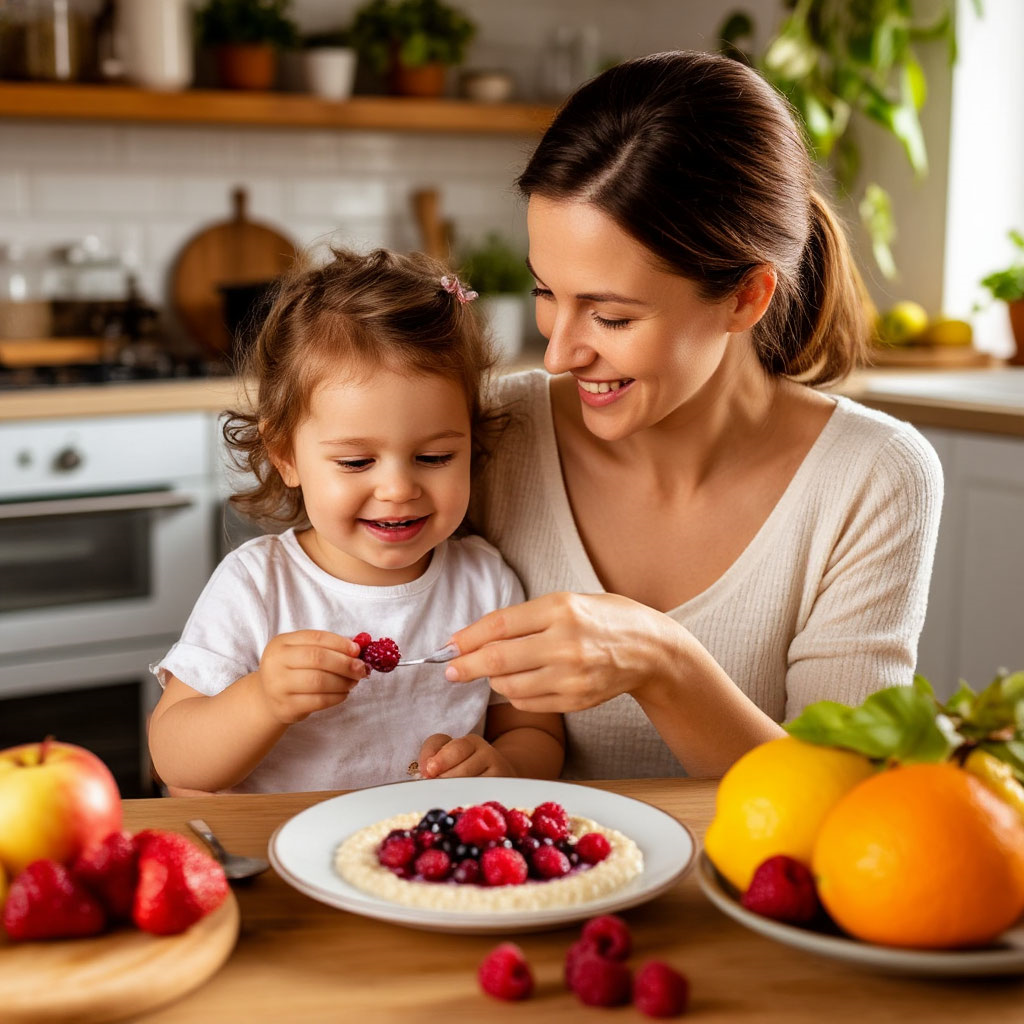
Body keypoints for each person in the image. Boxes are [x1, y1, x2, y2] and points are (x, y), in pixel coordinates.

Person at [443, 50, 943, 780]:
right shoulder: (488, 435)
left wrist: (661, 662)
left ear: (746, 297)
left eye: (611, 316)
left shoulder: (872, 477)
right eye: (547, 293)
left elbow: (846, 801)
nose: (558, 356)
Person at [148, 248, 565, 794]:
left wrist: (504, 766)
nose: (397, 489)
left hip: (424, 871)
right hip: (287, 863)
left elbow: (536, 730)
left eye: (435, 457)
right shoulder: (257, 586)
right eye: (356, 462)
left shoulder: (486, 583)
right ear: (286, 455)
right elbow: (174, 760)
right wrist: (263, 700)